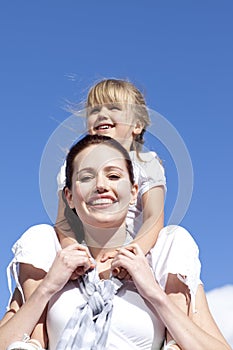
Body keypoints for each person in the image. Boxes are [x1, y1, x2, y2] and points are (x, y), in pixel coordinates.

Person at [1, 135, 230, 350]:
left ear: (133, 192)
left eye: (113, 176)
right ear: (69, 196)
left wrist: (154, 293)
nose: (101, 185)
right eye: (86, 177)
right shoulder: (50, 263)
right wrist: (48, 288)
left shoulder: (162, 264)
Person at [55, 78, 166, 262]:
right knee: (38, 237)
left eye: (114, 108)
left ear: (137, 125)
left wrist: (130, 253)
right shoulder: (73, 164)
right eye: (94, 110)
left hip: (136, 248)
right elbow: (64, 219)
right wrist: (73, 251)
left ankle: (174, 292)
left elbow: (153, 216)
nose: (101, 114)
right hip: (86, 249)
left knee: (177, 238)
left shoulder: (146, 162)